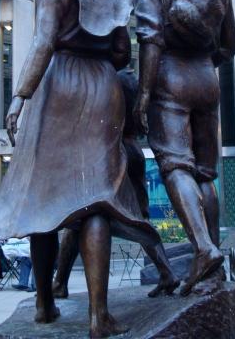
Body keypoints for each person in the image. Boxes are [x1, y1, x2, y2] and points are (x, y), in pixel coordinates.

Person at [0, 0, 177, 338]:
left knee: (42, 197)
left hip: (60, 87)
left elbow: (43, 42)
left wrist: (19, 97)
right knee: (97, 195)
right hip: (103, 86)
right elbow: (123, 52)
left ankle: (45, 303)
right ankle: (98, 315)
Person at [133, 0, 235, 296]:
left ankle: (205, 249)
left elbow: (150, 39)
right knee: (205, 173)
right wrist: (206, 64)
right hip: (206, 79)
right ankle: (210, 266)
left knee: (176, 164)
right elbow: (230, 45)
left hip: (169, 79)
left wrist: (143, 94)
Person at [53, 68, 175, 299]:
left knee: (81, 218)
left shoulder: (108, 81)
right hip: (131, 151)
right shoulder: (129, 80)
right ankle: (166, 272)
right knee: (138, 218)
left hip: (111, 152)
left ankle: (60, 282)